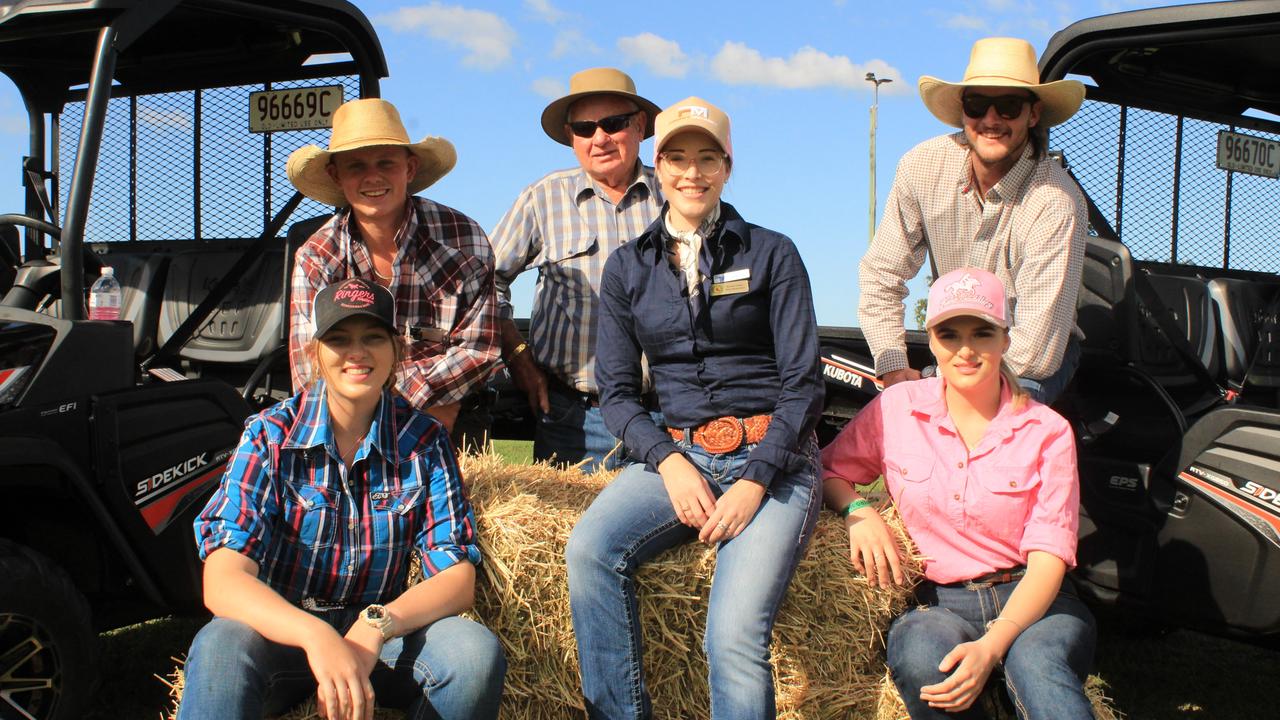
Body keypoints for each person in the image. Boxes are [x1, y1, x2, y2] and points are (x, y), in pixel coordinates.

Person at [566, 97, 824, 719]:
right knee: (588, 552)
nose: (692, 172)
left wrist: (757, 481)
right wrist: (669, 461)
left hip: (775, 460)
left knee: (731, 636)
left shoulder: (772, 253)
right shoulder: (629, 267)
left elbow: (804, 384)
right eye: (678, 158)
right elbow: (620, 394)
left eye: (707, 158)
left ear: (728, 168)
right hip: (681, 453)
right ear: (657, 165)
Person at [178, 278, 505, 720]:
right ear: (316, 352)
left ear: (397, 351)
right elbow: (223, 581)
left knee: (473, 653)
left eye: (373, 337)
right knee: (220, 646)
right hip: (284, 639)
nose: (357, 352)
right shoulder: (269, 435)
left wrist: (373, 627)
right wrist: (316, 636)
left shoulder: (424, 441)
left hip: (381, 644)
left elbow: (456, 579)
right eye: (338, 339)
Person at [822, 267, 1095, 719]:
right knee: (924, 661)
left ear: (1005, 340)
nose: (965, 350)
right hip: (938, 602)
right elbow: (829, 468)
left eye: (982, 333)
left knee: (1037, 667)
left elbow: (1049, 557)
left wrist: (992, 646)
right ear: (930, 341)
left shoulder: (1047, 431)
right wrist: (858, 510)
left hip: (1034, 599)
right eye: (949, 334)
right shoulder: (897, 408)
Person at [859, 37, 1089, 404]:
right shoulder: (921, 168)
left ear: (1033, 114)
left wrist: (945, 385)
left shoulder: (1056, 202)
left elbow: (1036, 349)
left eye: (1009, 105)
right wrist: (891, 362)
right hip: (953, 346)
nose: (991, 119)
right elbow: (881, 273)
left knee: (995, 427)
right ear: (963, 111)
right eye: (978, 103)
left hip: (1026, 359)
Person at [287, 98, 499, 447]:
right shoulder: (316, 257)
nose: (373, 176)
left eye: (386, 162)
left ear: (410, 168)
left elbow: (479, 349)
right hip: (350, 420)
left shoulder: (464, 238)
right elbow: (309, 369)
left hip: (453, 411)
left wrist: (424, 406)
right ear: (335, 175)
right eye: (356, 166)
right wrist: (394, 414)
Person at [489, 67, 663, 471]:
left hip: (665, 418)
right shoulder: (544, 197)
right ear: (571, 137)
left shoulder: (673, 198)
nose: (599, 138)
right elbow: (485, 280)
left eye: (613, 124)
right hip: (576, 419)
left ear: (639, 126)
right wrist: (518, 356)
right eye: (585, 128)